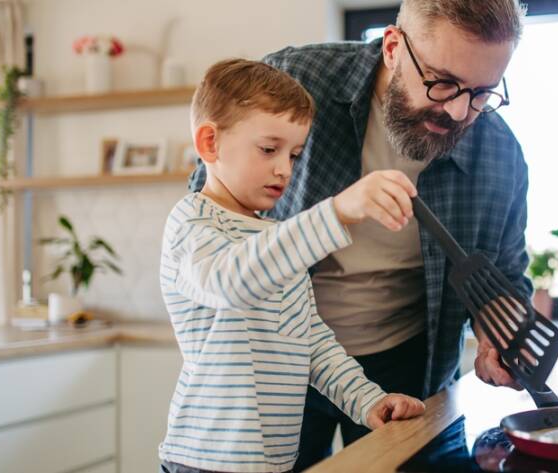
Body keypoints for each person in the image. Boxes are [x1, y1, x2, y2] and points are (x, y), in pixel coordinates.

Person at [188, 1, 531, 469]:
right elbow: (207, 216)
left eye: (481, 93)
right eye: (442, 82)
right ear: (393, 47)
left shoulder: (499, 154)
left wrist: (498, 334)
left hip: (404, 364)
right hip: (272, 358)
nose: (457, 111)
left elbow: (503, 277)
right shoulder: (294, 83)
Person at [160, 58, 425, 473]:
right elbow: (230, 281)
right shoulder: (192, 222)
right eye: (269, 149)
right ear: (210, 143)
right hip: (206, 459)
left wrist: (369, 400)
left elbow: (311, 340)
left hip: (275, 462)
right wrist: (336, 212)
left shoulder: (274, 237)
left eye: (295, 154)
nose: (284, 169)